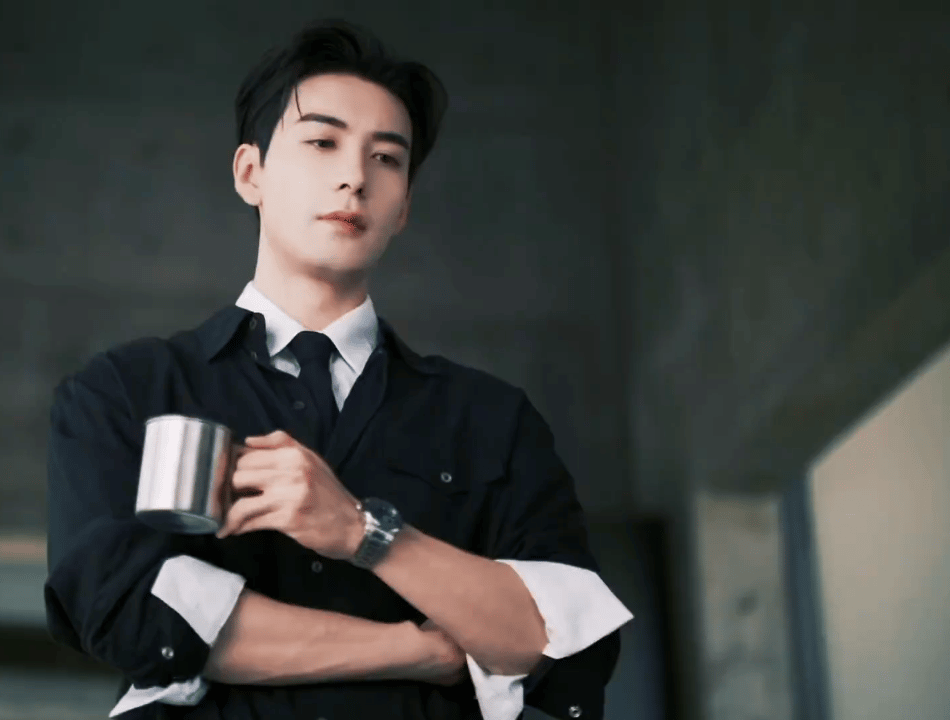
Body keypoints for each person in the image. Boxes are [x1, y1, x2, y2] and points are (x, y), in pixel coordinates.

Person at [44, 18, 633, 720]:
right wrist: (420, 650)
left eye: (387, 158)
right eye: (322, 142)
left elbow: (561, 646)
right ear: (251, 173)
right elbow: (130, 614)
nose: (355, 176)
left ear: (404, 206)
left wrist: (364, 532)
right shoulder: (127, 392)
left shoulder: (493, 421)